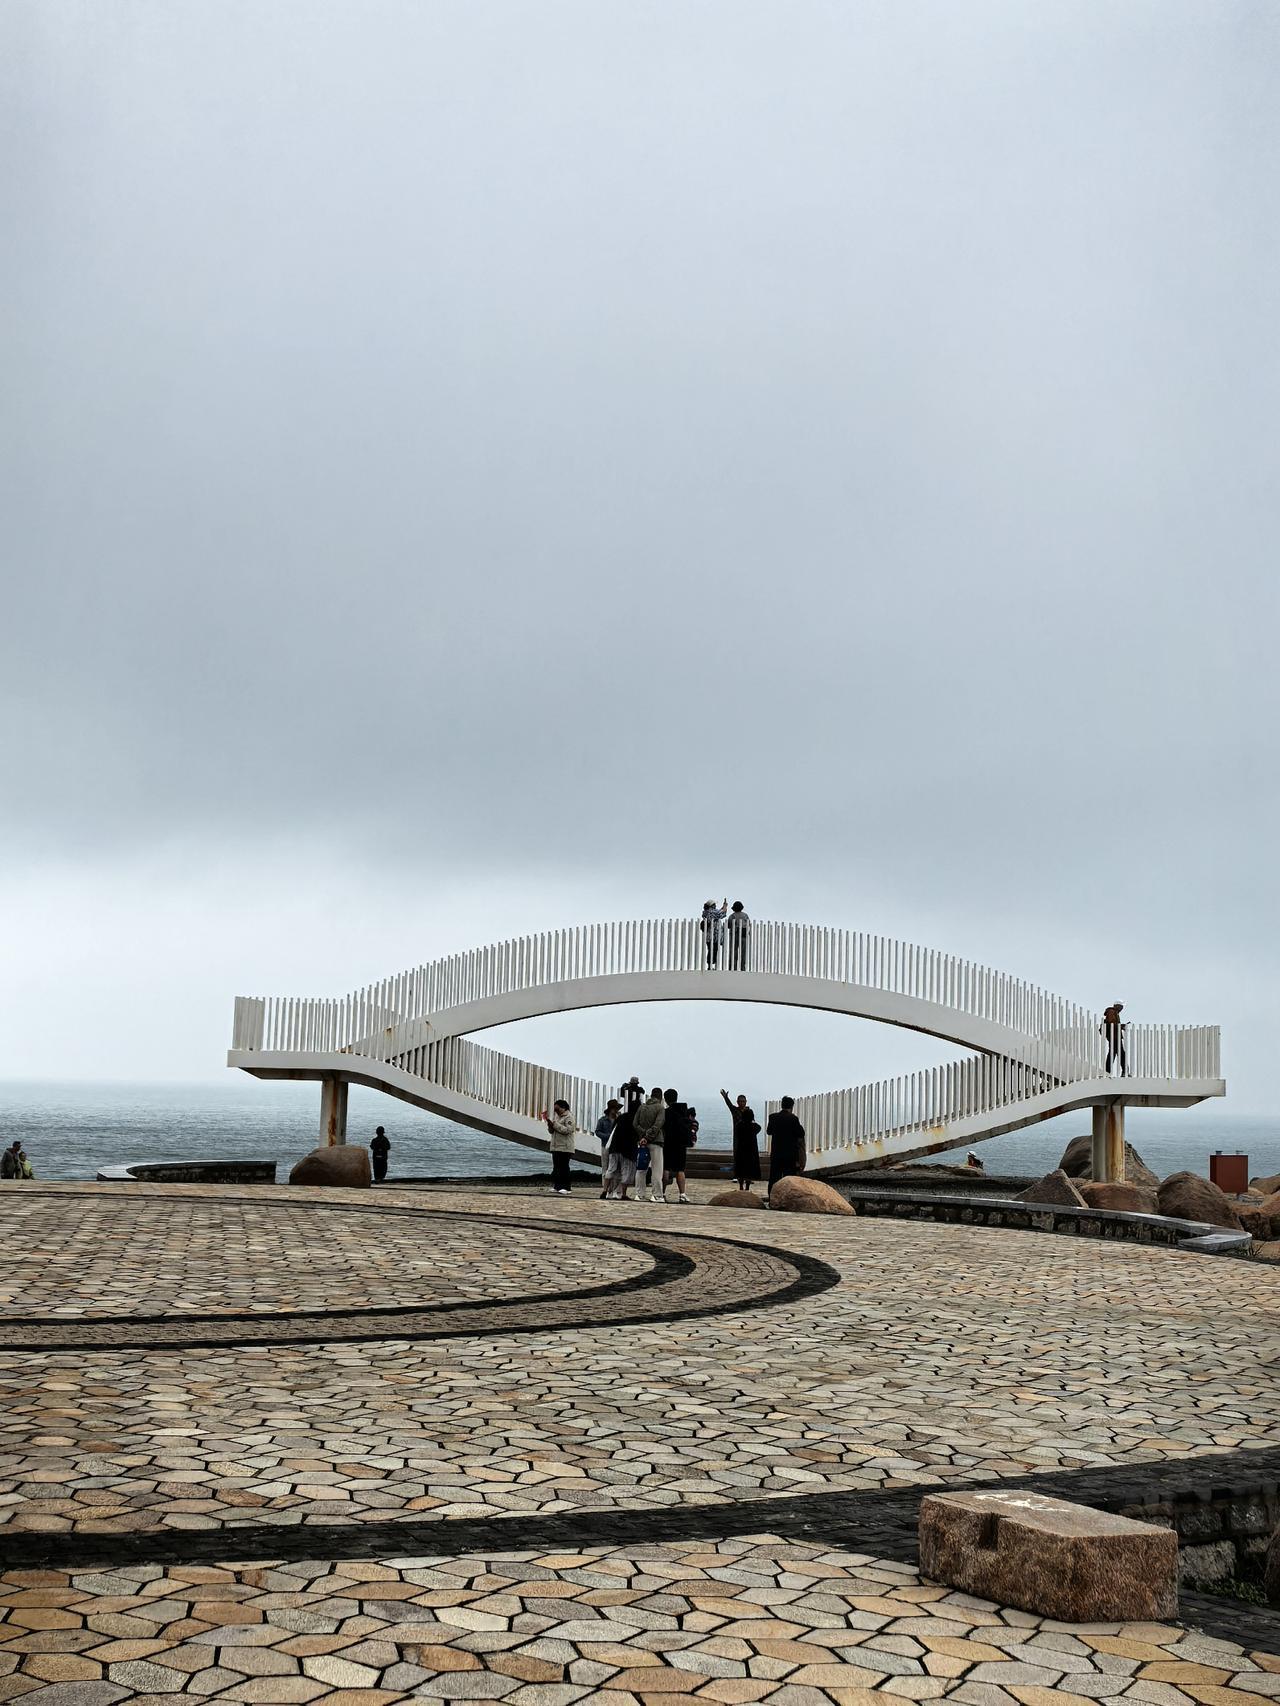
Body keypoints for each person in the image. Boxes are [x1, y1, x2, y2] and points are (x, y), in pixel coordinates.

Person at [765, 1097, 806, 1202]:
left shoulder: (773, 1117)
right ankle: (788, 1199)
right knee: (789, 1178)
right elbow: (800, 1133)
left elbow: (769, 1131)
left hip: (776, 1153)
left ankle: (771, 1197)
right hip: (790, 1154)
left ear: (781, 1105)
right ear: (792, 1106)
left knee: (774, 1177)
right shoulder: (793, 1119)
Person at [721, 1089, 761, 1190]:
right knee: (738, 1157)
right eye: (740, 1101)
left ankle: (746, 1178)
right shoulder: (735, 1110)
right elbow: (729, 1105)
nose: (742, 1103)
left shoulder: (749, 1111)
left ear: (746, 1102)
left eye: (743, 1101)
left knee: (747, 1160)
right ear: (737, 1102)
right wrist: (726, 1098)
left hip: (748, 1139)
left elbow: (754, 1125)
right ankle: (738, 1176)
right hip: (738, 1137)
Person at [634, 1087, 666, 1202]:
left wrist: (643, 1136)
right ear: (661, 1097)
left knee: (641, 1169)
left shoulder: (642, 1107)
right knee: (657, 1170)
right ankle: (656, 1195)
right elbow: (658, 1125)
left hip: (642, 1143)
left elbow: (635, 1124)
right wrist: (648, 1137)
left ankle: (639, 1194)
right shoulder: (660, 1108)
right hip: (655, 1142)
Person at [662, 1089, 693, 1204]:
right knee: (680, 1169)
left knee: (666, 1168)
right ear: (676, 1097)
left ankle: (662, 1193)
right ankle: (682, 1194)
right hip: (681, 1145)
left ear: (666, 1099)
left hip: (667, 1143)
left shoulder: (665, 1113)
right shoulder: (684, 1111)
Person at [543, 1099, 576, 1194]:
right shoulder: (557, 1117)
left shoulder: (569, 1117)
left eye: (557, 1109)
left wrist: (555, 1124)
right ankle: (557, 1186)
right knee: (556, 1168)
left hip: (565, 1147)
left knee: (564, 1168)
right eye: (555, 1110)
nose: (556, 1111)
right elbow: (552, 1131)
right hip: (556, 1146)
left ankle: (566, 1187)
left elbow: (568, 1130)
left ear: (563, 1108)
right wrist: (550, 1125)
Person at [595, 1098, 621, 1198]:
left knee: (616, 1169)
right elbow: (597, 1132)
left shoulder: (619, 1120)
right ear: (610, 1109)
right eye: (615, 1109)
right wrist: (608, 1136)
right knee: (605, 1168)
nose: (616, 1111)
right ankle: (605, 1189)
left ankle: (614, 1190)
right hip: (605, 1146)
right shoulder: (602, 1120)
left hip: (616, 1147)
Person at [1101, 1003, 1128, 1077]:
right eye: (1121, 1007)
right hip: (1114, 1037)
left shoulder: (1114, 1012)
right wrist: (1121, 1026)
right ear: (1117, 1006)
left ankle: (1108, 1071)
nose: (1121, 1009)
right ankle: (1122, 1071)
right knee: (1118, 1054)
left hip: (1115, 1036)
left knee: (1115, 1054)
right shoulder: (1111, 1012)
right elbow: (1112, 1023)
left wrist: (1120, 1026)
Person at [699, 899, 727, 969]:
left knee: (710, 950)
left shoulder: (706, 912)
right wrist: (725, 906)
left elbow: (719, 912)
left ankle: (710, 965)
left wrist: (723, 907)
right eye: (714, 904)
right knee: (713, 951)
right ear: (712, 905)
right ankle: (711, 966)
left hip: (709, 936)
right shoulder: (712, 912)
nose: (715, 905)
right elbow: (722, 914)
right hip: (714, 936)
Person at [726, 902, 751, 970]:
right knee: (743, 952)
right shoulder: (745, 915)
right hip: (743, 935)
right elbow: (749, 924)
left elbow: (728, 925)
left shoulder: (732, 916)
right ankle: (743, 968)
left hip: (734, 935)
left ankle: (733, 967)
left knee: (733, 952)